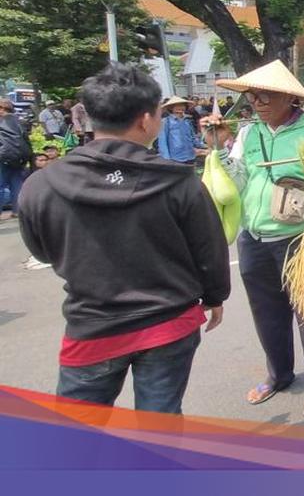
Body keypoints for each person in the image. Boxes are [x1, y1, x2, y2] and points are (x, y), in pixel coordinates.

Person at [17, 63, 229, 413]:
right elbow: (208, 248)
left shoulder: (41, 185)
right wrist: (215, 294)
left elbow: (42, 249)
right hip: (169, 323)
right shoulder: (179, 182)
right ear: (146, 119)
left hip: (92, 325)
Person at [200, 60, 304, 418]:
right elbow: (236, 180)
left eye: (265, 94)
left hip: (302, 236)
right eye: (252, 95)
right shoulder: (249, 134)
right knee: (267, 313)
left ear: (290, 99)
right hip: (255, 235)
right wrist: (218, 147)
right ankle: (278, 374)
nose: (256, 101)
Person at [0, 98, 33, 220]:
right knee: (17, 183)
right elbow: (26, 138)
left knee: (0, 184)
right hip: (20, 156)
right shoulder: (19, 121)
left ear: (2, 109)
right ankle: (17, 211)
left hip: (4, 156)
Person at [157, 96, 207, 165]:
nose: (180, 107)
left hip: (190, 156)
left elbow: (193, 138)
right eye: (177, 105)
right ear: (171, 107)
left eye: (182, 105)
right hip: (175, 158)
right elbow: (162, 142)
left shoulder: (187, 121)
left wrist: (205, 146)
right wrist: (166, 160)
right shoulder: (166, 122)